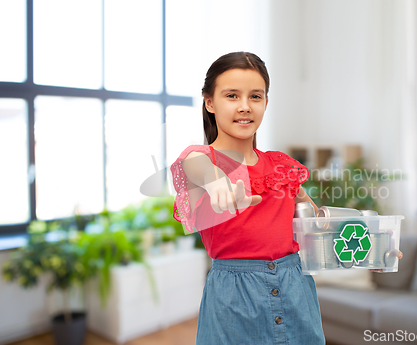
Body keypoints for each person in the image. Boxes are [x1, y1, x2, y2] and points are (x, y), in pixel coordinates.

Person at [170, 52, 400, 344]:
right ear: (209, 102)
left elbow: (317, 226)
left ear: (266, 102)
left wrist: (369, 250)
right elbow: (198, 167)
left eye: (255, 96)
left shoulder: (283, 166)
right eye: (231, 95)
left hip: (296, 291)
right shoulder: (200, 159)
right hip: (235, 300)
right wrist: (216, 183)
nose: (244, 106)